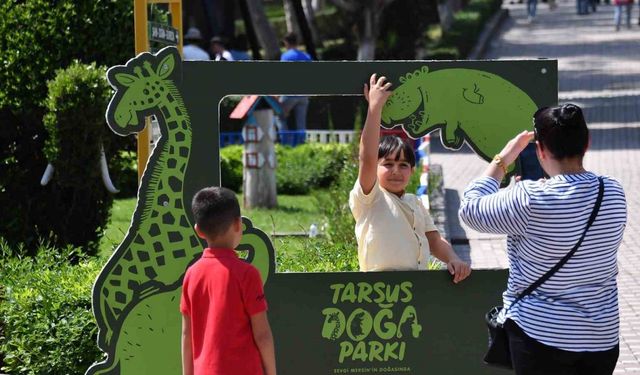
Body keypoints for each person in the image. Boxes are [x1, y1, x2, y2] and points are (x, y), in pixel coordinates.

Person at [459, 104, 627, 375]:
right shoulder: (613, 191)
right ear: (587, 143)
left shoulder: (528, 198)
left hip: (540, 337)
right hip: (601, 337)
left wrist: (503, 158)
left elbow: (469, 209)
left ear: (540, 150)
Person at [349, 73, 471, 282]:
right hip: (379, 293)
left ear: (412, 171)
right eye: (387, 164)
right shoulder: (370, 197)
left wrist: (453, 258)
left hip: (415, 292)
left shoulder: (414, 202)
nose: (396, 170)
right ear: (375, 169)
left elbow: (433, 240)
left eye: (403, 165)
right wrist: (375, 107)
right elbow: (367, 158)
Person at [181, 187, 276, 375]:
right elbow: (262, 334)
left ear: (198, 231)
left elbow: (187, 335)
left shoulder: (191, 275)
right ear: (238, 224)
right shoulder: (248, 274)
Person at [277, 33, 312, 132]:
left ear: (286, 43)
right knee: (301, 123)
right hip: (303, 94)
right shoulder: (306, 56)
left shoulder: (285, 56)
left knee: (280, 117)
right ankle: (301, 144)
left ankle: (285, 142)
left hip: (289, 93)